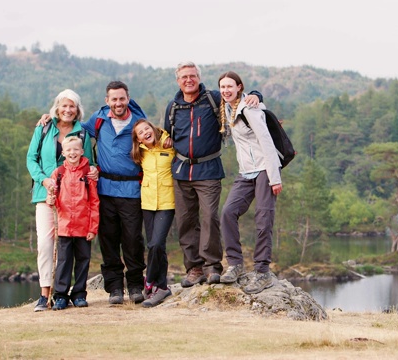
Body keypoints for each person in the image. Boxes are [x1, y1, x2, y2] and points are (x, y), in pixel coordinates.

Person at [38, 81, 147, 305]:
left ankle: (136, 285)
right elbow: (73, 128)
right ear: (107, 101)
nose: (118, 103)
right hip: (105, 188)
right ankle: (115, 288)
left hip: (132, 189)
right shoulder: (98, 120)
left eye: (122, 98)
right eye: (113, 99)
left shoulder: (138, 121)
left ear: (128, 98)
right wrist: (50, 118)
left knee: (133, 240)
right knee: (108, 241)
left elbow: (152, 138)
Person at [163, 61, 262, 288]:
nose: (189, 80)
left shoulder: (213, 98)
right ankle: (194, 268)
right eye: (184, 77)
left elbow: (236, 96)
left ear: (199, 77)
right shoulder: (173, 107)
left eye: (192, 76)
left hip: (208, 169)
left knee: (209, 218)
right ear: (178, 81)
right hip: (181, 170)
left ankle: (212, 267)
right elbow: (167, 135)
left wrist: (255, 94)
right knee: (186, 221)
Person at [27, 89, 95, 312]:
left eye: (72, 106)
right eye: (64, 105)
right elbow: (31, 158)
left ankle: (66, 294)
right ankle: (44, 294)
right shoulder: (44, 127)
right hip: (45, 194)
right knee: (46, 244)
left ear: (77, 111)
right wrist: (44, 180)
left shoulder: (83, 133)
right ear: (57, 108)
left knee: (72, 249)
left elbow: (88, 162)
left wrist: (94, 171)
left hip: (75, 200)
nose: (67, 110)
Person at [217, 71, 282, 294]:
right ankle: (235, 264)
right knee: (227, 212)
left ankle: (262, 272)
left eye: (229, 86)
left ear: (239, 87)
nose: (226, 90)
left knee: (264, 219)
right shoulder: (225, 108)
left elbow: (266, 142)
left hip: (265, 168)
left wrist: (275, 178)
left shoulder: (250, 109)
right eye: (222, 87)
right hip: (246, 172)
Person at [46, 136, 100, 310]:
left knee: (83, 261)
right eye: (68, 150)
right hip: (64, 227)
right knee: (63, 262)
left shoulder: (88, 174)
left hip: (84, 228)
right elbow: (52, 201)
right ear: (63, 153)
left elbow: (94, 202)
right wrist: (50, 198)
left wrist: (93, 227)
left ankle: (79, 294)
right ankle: (61, 296)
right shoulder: (59, 173)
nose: (72, 153)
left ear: (82, 151)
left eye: (76, 149)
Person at [130, 119, 175, 307]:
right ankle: (161, 287)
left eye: (146, 128)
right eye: (140, 132)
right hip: (147, 203)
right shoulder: (140, 154)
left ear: (153, 129)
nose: (145, 132)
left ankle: (149, 281)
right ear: (138, 139)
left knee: (156, 243)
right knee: (155, 246)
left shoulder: (169, 145)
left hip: (167, 201)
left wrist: (167, 136)